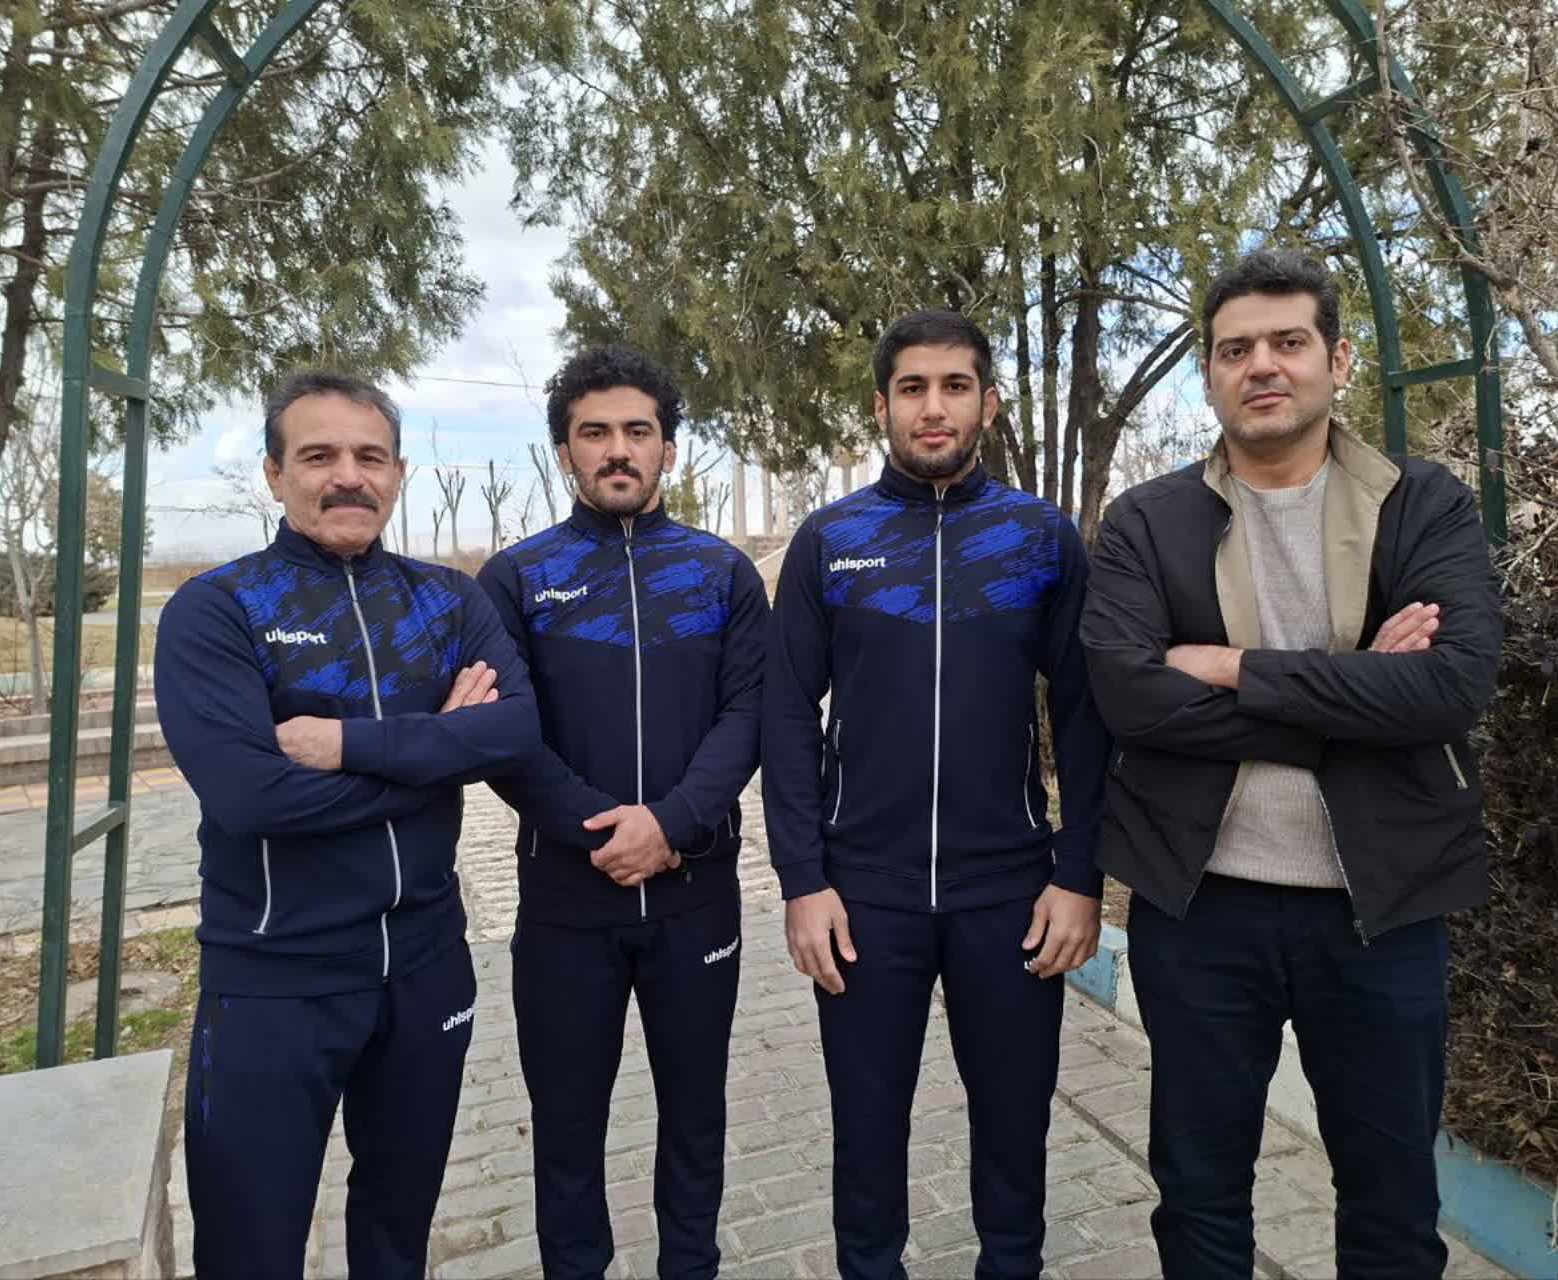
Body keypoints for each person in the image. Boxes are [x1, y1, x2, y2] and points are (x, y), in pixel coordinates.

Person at [1080, 248, 1503, 1279]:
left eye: (1287, 342)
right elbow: (1131, 697)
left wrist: (1231, 666)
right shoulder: (1147, 520)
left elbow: (1451, 688)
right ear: (1209, 374)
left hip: (1380, 911)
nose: (1261, 365)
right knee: (1199, 1196)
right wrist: (1356, 694)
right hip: (1200, 908)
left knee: (1393, 1206)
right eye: (1235, 350)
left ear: (1336, 360)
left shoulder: (1422, 504)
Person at [155, 370, 543, 1279]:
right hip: (274, 978)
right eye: (318, 455)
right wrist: (440, 752)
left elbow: (516, 730)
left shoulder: (448, 601)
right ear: (274, 473)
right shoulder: (218, 609)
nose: (347, 476)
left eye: (370, 456)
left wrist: (346, 746)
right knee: (250, 1250)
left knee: (396, 1235)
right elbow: (253, 798)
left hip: (427, 965)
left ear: (398, 473)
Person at [763, 310, 1110, 1280]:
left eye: (955, 386)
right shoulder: (831, 541)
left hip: (1011, 893)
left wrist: (1080, 873)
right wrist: (802, 879)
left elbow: (1085, 715)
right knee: (867, 1130)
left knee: (1015, 1127)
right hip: (861, 895)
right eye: (911, 387)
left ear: (988, 404)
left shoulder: (1040, 539)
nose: (933, 407)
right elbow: (784, 714)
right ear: (880, 406)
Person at [476, 344, 766, 1280]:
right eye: (593, 432)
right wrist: (604, 830)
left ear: (667, 449)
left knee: (697, 1118)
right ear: (564, 451)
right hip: (566, 904)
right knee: (566, 1127)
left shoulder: (721, 574)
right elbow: (505, 734)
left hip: (696, 898)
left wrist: (671, 824)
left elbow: (747, 714)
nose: (617, 449)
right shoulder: (517, 579)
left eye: (637, 431)